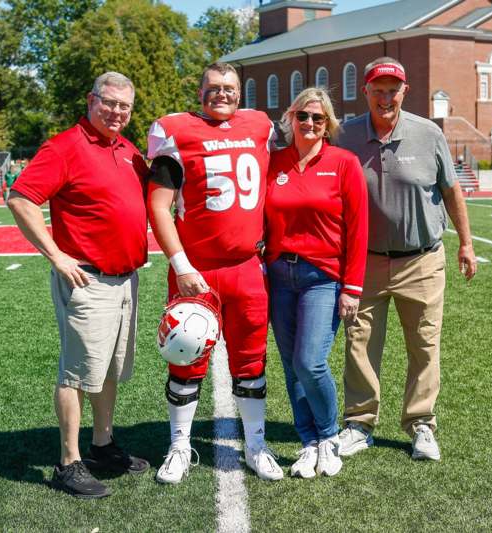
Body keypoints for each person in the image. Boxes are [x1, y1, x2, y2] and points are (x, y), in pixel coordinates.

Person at [8, 71, 150, 499]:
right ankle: (68, 462)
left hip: (126, 280)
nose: (117, 112)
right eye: (109, 103)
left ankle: (102, 445)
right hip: (88, 278)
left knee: (108, 368)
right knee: (76, 372)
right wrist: (56, 255)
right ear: (91, 100)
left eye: (124, 106)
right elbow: (21, 197)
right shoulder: (65, 146)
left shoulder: (127, 149)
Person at [147, 62, 283, 483]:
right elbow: (157, 206)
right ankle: (179, 445)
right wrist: (181, 265)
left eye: (229, 88)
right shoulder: (177, 131)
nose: (221, 94)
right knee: (185, 359)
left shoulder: (260, 125)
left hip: (246, 267)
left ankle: (256, 445)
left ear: (240, 93)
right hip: (196, 272)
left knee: (250, 361)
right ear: (199, 90)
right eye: (213, 88)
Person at [336, 57, 477, 462]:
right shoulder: (343, 136)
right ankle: (359, 424)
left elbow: (452, 192)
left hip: (422, 260)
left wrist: (466, 244)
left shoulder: (429, 133)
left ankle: (421, 425)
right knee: (359, 344)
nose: (385, 97)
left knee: (424, 346)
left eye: (392, 90)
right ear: (365, 91)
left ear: (405, 92)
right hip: (365, 261)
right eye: (377, 90)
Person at [264, 88, 368, 478]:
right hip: (279, 277)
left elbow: (359, 230)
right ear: (291, 118)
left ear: (329, 124)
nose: (310, 124)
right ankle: (308, 442)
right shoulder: (274, 163)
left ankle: (328, 437)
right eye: (303, 116)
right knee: (292, 367)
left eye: (318, 118)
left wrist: (352, 288)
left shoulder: (344, 163)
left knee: (311, 361)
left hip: (322, 278)